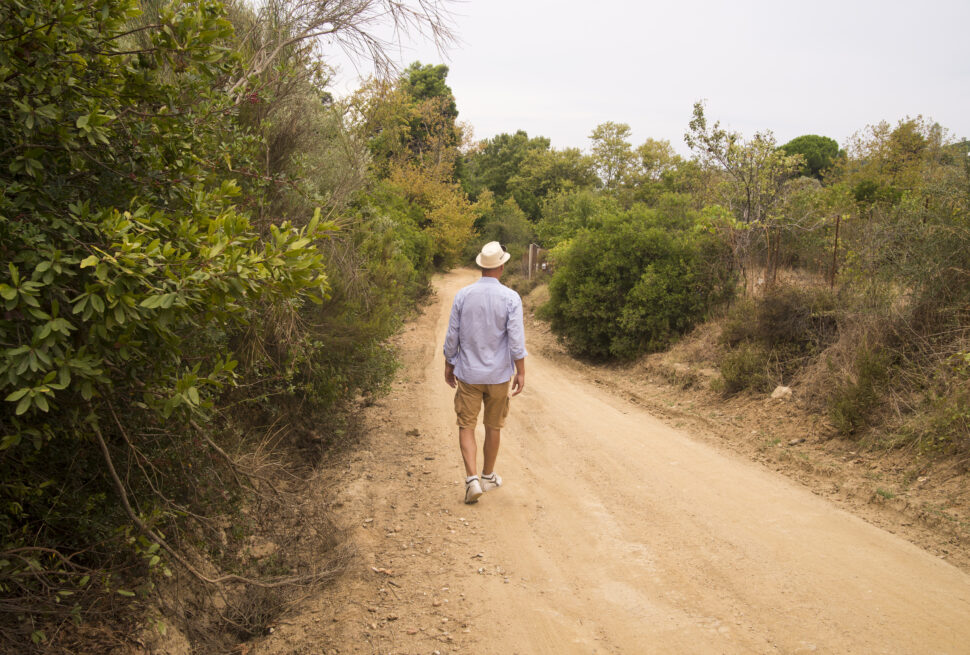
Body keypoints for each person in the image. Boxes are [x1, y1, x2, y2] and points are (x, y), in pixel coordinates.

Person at [443, 241, 527, 504]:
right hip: (499, 376)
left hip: (468, 374)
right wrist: (521, 371)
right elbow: (516, 341)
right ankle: (488, 475)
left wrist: (449, 363)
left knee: (466, 425)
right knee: (493, 426)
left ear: (481, 266)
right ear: (501, 266)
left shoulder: (463, 295)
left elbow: (451, 336)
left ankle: (472, 480)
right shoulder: (511, 298)